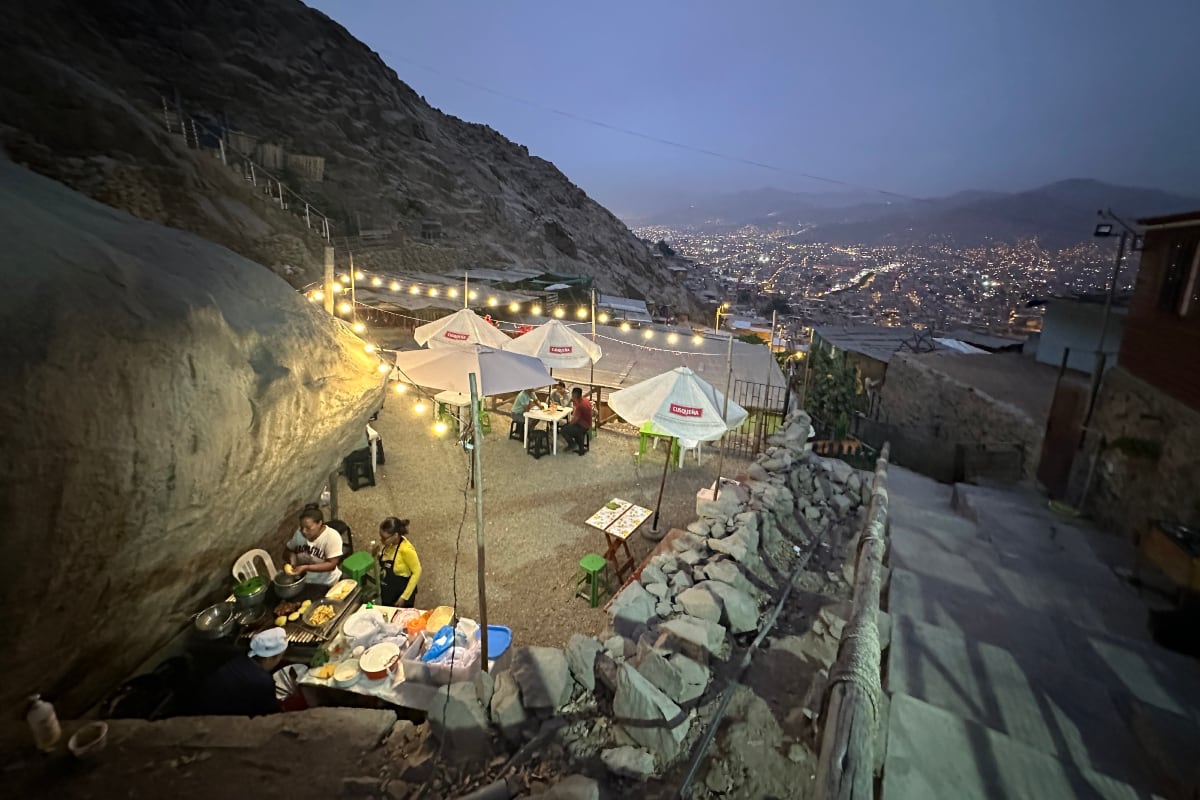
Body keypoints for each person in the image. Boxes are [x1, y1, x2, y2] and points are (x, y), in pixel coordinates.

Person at [191, 627, 287, 717]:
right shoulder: (263, 681)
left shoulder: (241, 658)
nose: (281, 658)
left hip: (203, 702)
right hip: (216, 717)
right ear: (269, 657)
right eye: (281, 656)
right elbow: (270, 713)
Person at [283, 504, 343, 586]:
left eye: (308, 528)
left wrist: (306, 567)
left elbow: (331, 564)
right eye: (301, 527)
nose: (303, 531)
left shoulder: (332, 537)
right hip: (305, 581)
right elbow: (288, 550)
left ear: (319, 523)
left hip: (326, 582)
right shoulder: (299, 534)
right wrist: (292, 558)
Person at [378, 517, 422, 607]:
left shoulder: (406, 550)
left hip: (400, 595)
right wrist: (378, 555)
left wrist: (404, 597)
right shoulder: (388, 546)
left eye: (384, 538)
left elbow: (417, 571)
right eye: (381, 537)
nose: (381, 540)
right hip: (387, 593)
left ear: (395, 535)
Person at [560, 386, 593, 455]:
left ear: (574, 395)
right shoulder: (585, 400)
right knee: (567, 426)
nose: (571, 395)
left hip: (583, 426)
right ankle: (577, 441)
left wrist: (569, 424)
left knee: (563, 430)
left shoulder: (580, 405)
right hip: (588, 423)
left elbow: (575, 419)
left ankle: (572, 444)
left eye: (572, 394)